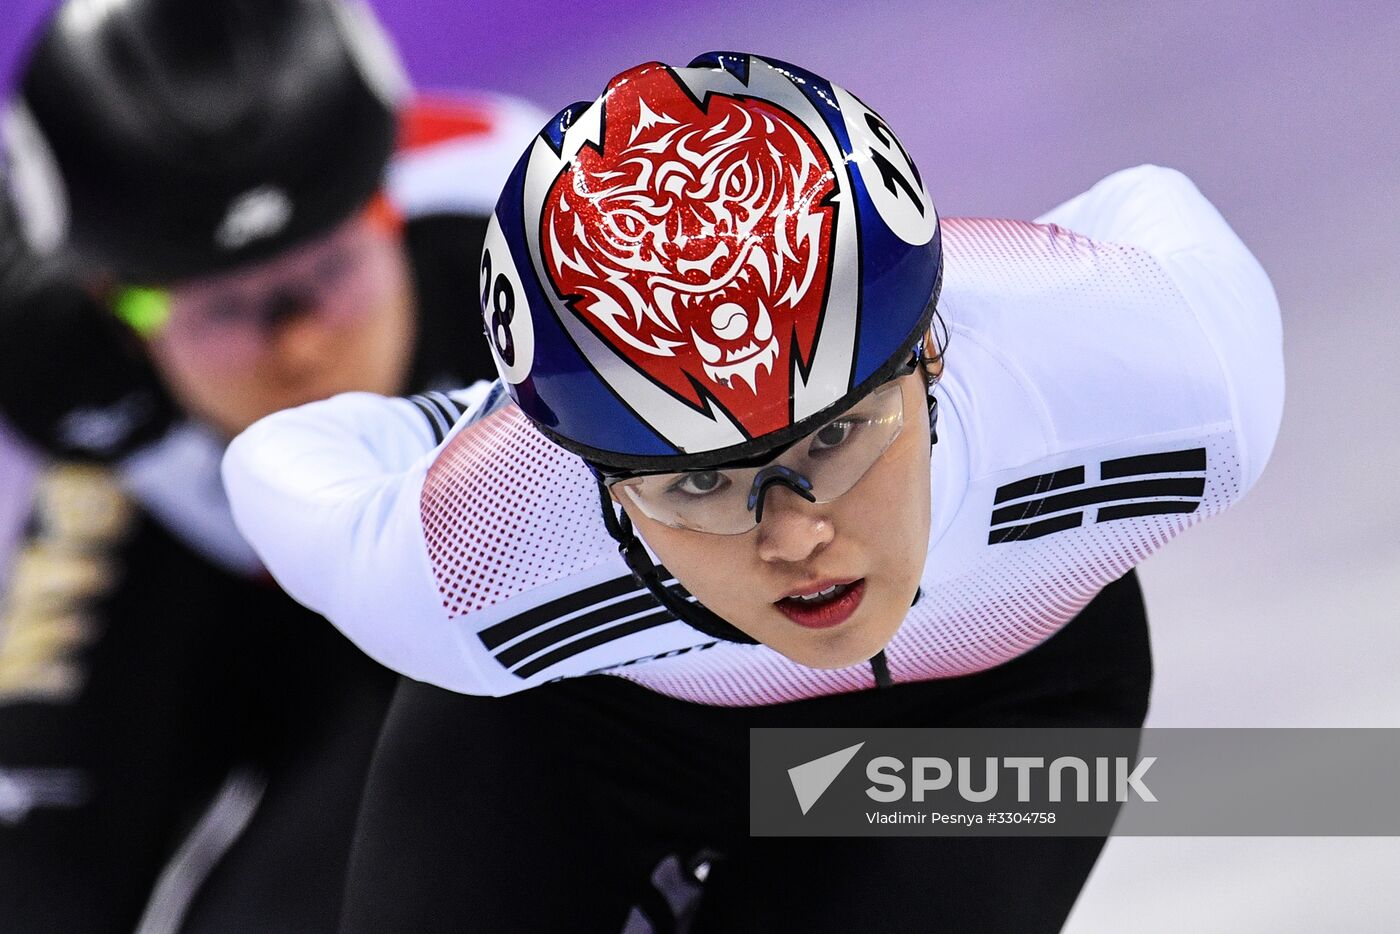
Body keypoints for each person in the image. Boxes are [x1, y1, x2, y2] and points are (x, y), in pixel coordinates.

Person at [223, 53, 1285, 933]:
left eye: (833, 436)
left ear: (932, 353)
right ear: (590, 471)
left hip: (1002, 712)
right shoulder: (468, 558)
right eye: (696, 479)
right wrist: (467, 431)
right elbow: (273, 464)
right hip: (596, 731)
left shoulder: (1173, 379)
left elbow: (1141, 204)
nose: (793, 533)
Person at [0, 0, 539, 931]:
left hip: (489, 558)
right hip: (206, 563)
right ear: (114, 306)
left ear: (387, 205)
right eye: (223, 309)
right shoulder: (49, 359)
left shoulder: (540, 247)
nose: (297, 350)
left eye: (328, 270)